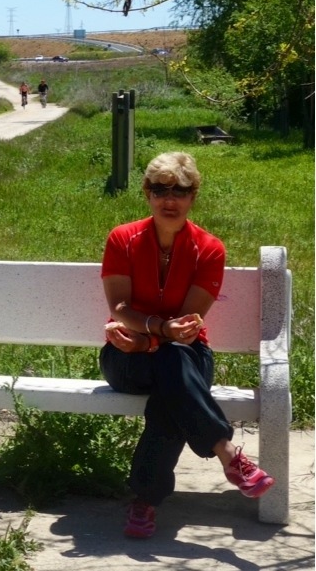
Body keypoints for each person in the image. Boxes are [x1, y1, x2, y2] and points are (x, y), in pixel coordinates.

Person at [100, 151, 274, 539]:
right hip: (126, 356)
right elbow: (120, 308)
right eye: (160, 190)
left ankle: (145, 501)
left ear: (193, 196)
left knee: (173, 377)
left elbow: (189, 324)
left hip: (186, 354)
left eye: (180, 190)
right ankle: (228, 453)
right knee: (174, 368)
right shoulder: (123, 239)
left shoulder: (209, 248)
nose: (170, 199)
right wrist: (150, 336)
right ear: (146, 194)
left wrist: (152, 339)